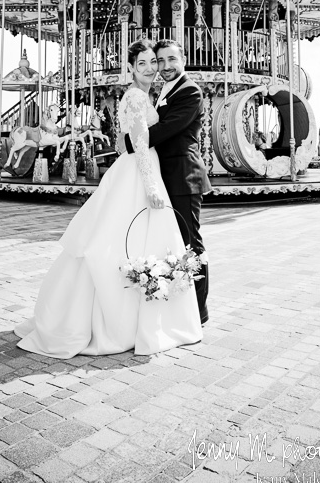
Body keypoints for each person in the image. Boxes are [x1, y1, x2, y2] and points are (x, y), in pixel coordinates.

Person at [14, 40, 201, 357]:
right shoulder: (135, 96)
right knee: (118, 240)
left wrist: (128, 144)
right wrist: (151, 186)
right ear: (131, 68)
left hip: (143, 169)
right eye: (142, 63)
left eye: (152, 62)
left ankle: (138, 314)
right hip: (140, 173)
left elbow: (133, 139)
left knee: (136, 239)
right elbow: (140, 144)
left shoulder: (147, 96)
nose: (149, 68)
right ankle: (122, 320)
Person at [123, 39, 211, 325]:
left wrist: (130, 141)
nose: (165, 66)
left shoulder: (190, 92)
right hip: (167, 175)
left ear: (183, 59)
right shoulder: (164, 91)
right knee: (176, 243)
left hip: (184, 175)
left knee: (191, 245)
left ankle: (199, 311)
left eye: (171, 59)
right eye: (160, 61)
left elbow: (167, 128)